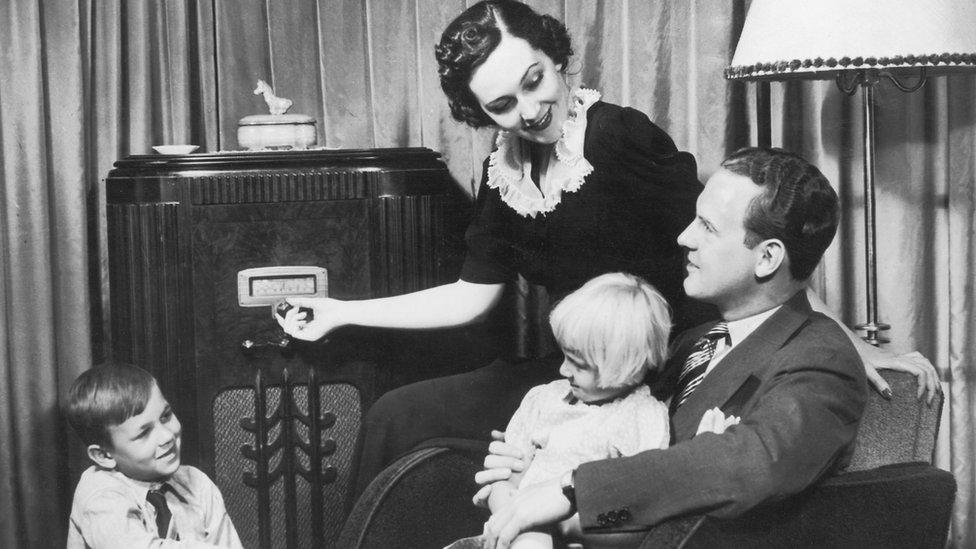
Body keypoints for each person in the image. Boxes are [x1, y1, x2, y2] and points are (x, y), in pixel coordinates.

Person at [278, 0, 938, 495]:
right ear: (480, 114)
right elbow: (468, 295)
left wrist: (843, 336)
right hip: (569, 366)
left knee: (534, 460)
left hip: (654, 363)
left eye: (535, 80)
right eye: (503, 104)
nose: (530, 110)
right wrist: (341, 312)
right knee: (400, 415)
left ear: (556, 56)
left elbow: (749, 251)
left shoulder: (620, 138)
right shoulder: (502, 171)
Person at [478, 148, 871, 548]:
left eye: (707, 227)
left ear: (767, 257)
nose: (685, 237)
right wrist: (526, 470)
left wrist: (569, 493)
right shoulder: (691, 341)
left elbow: (753, 463)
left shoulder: (821, 356)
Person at [444, 272, 673, 549]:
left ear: (626, 364)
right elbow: (500, 480)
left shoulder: (641, 418)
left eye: (578, 364)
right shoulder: (546, 399)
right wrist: (521, 519)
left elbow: (639, 510)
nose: (563, 370)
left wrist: (562, 526)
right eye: (564, 355)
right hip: (511, 531)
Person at [65, 362, 242, 548]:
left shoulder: (197, 483)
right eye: (144, 433)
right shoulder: (99, 494)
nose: (167, 436)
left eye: (165, 416)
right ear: (104, 455)